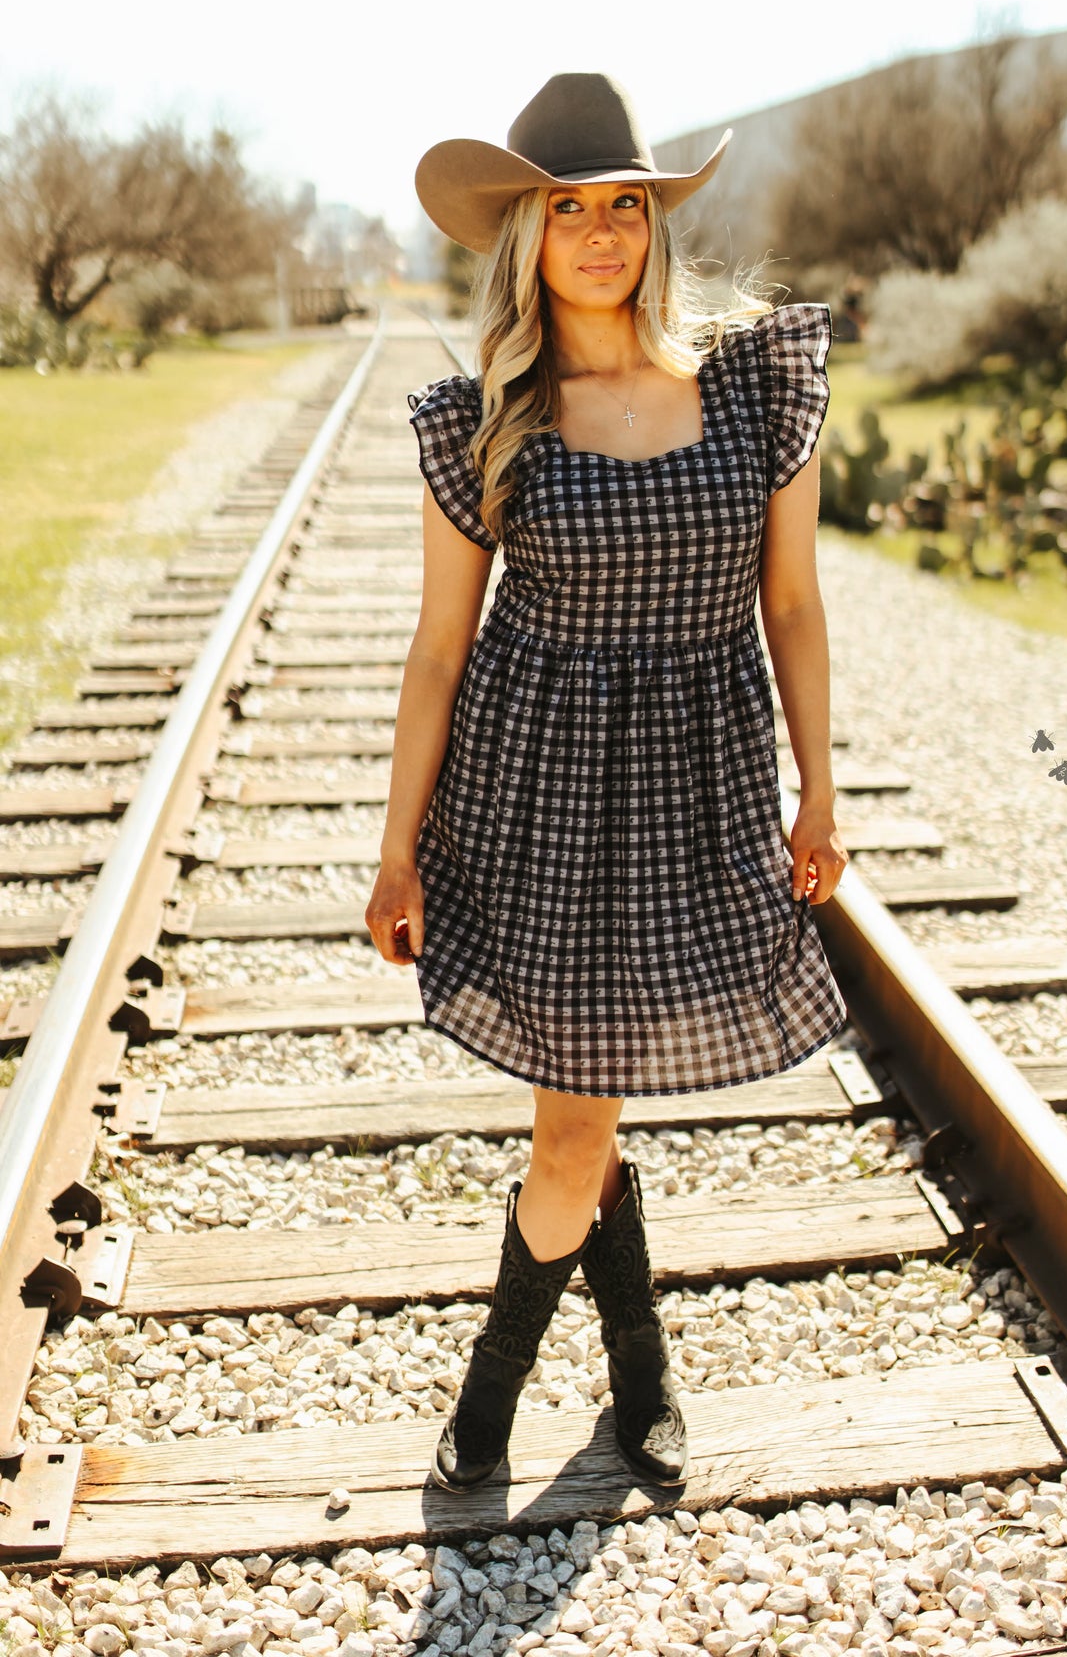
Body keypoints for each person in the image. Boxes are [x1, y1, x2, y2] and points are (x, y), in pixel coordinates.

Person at [365, 73, 849, 1493]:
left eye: (622, 207)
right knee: (581, 1116)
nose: (598, 233)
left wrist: (819, 791)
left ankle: (633, 1377)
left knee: (588, 1098)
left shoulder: (753, 385)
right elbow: (439, 654)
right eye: (567, 209)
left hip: (698, 786)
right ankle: (504, 1401)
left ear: (654, 225)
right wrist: (398, 850)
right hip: (543, 799)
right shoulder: (489, 420)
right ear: (527, 235)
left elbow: (798, 606)